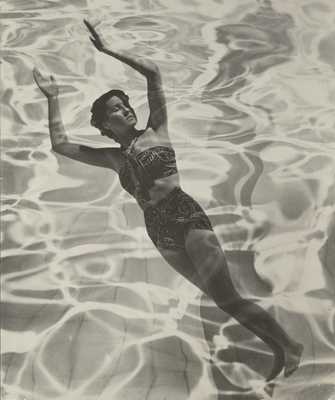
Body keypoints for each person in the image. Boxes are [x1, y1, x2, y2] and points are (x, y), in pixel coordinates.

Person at [32, 19, 303, 382]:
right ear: (104, 125)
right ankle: (278, 348)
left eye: (125, 104)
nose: (126, 109)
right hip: (158, 231)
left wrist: (108, 49)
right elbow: (61, 145)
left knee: (228, 295)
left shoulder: (156, 130)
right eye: (116, 109)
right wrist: (54, 98)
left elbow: (154, 74)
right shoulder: (112, 158)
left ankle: (289, 345)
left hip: (184, 214)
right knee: (222, 300)